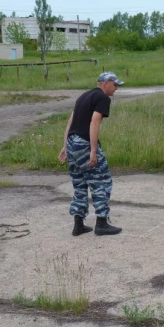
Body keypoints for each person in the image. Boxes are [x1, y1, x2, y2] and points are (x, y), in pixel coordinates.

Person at [58, 72, 124, 236]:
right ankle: (101, 223)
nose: (116, 89)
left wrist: (65, 145)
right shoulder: (102, 98)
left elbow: (71, 121)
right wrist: (93, 151)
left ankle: (78, 224)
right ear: (106, 83)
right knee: (102, 181)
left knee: (79, 184)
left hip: (73, 143)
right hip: (85, 144)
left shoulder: (83, 96)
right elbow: (94, 122)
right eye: (115, 85)